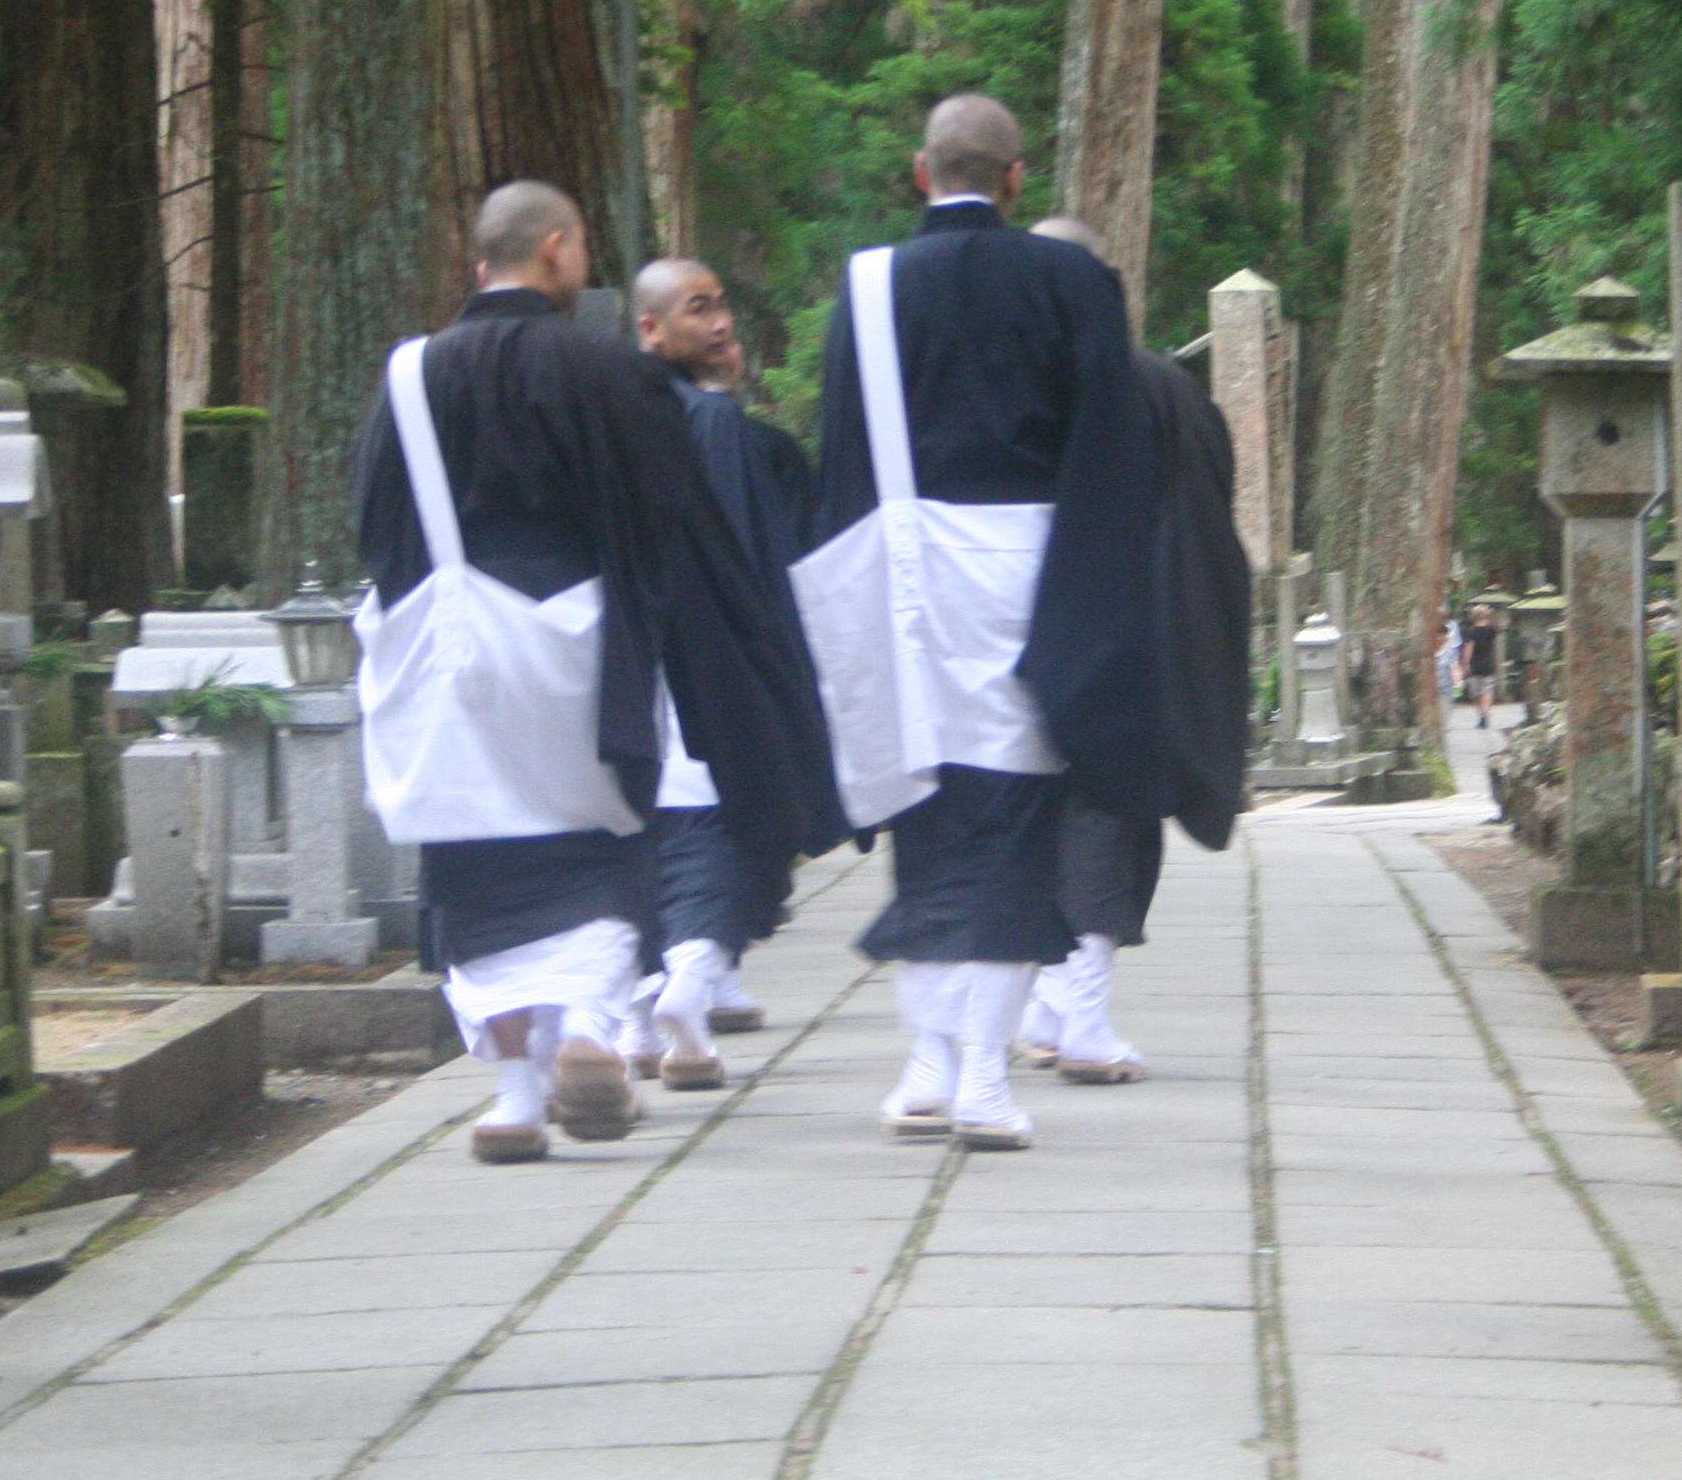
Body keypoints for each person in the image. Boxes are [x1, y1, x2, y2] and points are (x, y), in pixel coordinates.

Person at [353, 181, 839, 1163]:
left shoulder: (411, 376)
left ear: (478, 260)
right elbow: (671, 521)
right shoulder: (603, 370)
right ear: (560, 251)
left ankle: (513, 1099)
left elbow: (377, 523)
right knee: (600, 842)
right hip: (582, 644)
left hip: (455, 651)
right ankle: (586, 1023)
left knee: (475, 855)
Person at [799, 96, 1158, 1149]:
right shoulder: (1073, 282)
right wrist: (1106, 605)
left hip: (903, 578)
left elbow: (844, 462)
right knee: (1011, 826)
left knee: (922, 816)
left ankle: (926, 1065)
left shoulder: (867, 286)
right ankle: (981, 1080)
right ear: (1014, 180)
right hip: (1031, 575)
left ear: (921, 172)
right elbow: (1110, 452)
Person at [1010, 216, 1251, 1084]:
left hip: (1029, 634)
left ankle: (1053, 1007)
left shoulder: (1029, 384)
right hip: (1132, 633)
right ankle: (1076, 1013)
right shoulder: (1159, 383)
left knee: (1053, 816)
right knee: (1104, 817)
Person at [617, 254, 814, 1086]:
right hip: (712, 666)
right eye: (699, 309)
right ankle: (692, 979)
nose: (722, 321)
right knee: (723, 834)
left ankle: (637, 1014)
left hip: (633, 668)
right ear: (651, 328)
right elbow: (748, 556)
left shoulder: (623, 415)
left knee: (645, 839)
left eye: (723, 302)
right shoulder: (714, 424)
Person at [1459, 600, 1503, 728]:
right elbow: (1498, 629)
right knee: (1488, 690)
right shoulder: (1490, 630)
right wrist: (1492, 615)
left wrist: (1465, 664)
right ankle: (1486, 712)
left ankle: (1481, 715)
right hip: (1488, 663)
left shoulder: (1471, 631)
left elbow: (1468, 648)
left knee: (1477, 693)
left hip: (1475, 665)